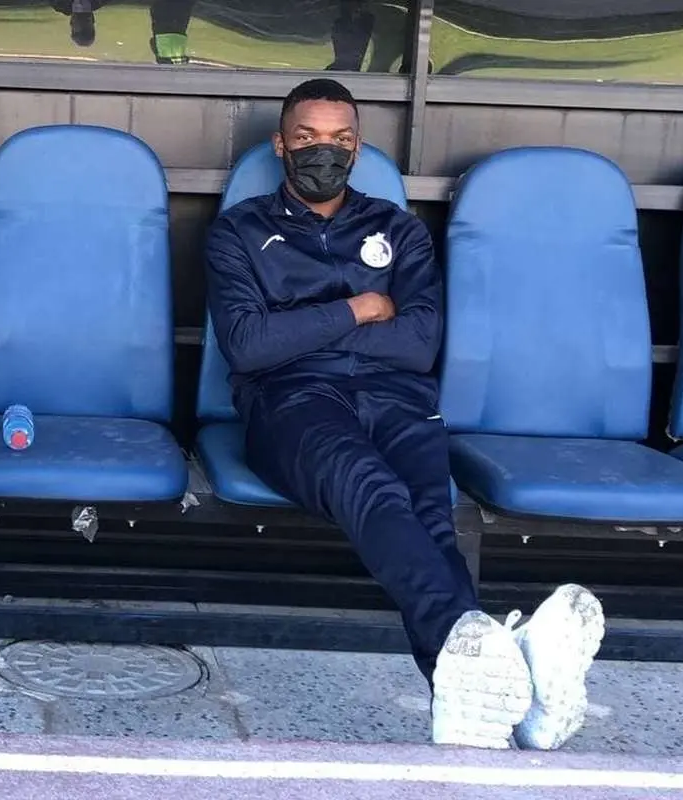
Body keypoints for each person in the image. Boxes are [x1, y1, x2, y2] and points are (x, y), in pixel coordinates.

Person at [203, 77, 604, 750]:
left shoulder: (398, 229)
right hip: (291, 401)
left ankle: (478, 705)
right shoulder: (239, 232)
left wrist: (300, 328)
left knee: (431, 518)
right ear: (280, 145)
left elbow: (417, 345)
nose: (324, 151)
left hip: (397, 397)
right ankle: (505, 662)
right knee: (374, 488)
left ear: (358, 147)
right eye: (307, 137)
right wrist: (359, 308)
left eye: (340, 139)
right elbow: (248, 345)